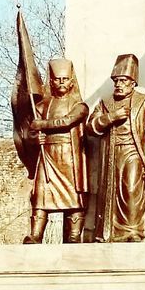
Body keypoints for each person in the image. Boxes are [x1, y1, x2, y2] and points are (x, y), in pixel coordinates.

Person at [88, 54, 145, 241]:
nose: (119, 84)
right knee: (108, 195)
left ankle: (133, 233)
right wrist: (111, 117)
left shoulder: (144, 102)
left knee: (130, 192)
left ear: (132, 82)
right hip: (110, 153)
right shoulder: (105, 103)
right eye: (116, 81)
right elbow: (90, 127)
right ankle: (108, 233)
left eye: (123, 80)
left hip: (133, 153)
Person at [23, 59, 91, 243]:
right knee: (40, 195)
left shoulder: (80, 106)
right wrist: (35, 139)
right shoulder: (43, 106)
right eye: (57, 79)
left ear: (71, 81)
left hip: (69, 156)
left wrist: (42, 124)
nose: (61, 82)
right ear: (51, 81)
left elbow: (67, 121)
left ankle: (74, 234)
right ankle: (36, 234)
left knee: (74, 196)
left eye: (65, 79)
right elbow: (28, 133)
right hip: (49, 155)